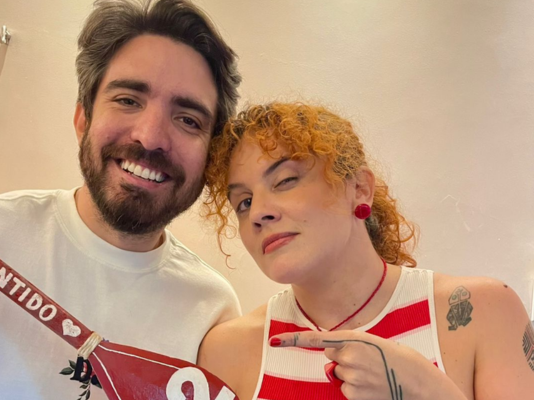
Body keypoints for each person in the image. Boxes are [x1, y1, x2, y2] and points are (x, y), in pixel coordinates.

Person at [0, 0, 242, 398]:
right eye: (128, 100)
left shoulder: (213, 309)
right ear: (83, 119)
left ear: (211, 156)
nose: (150, 137)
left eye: (188, 120)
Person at [198, 102, 534, 400]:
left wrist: (426, 391)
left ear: (359, 188)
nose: (258, 213)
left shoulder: (484, 312)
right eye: (243, 202)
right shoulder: (226, 351)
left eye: (285, 181)